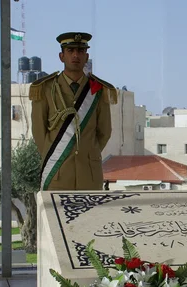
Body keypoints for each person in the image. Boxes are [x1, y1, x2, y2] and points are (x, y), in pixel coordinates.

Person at [30, 32, 117, 191]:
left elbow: (104, 131)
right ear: (61, 56)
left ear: (86, 56)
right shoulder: (46, 88)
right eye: (70, 51)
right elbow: (38, 130)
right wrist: (54, 155)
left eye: (80, 51)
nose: (75, 55)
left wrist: (88, 152)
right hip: (57, 173)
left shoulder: (97, 89)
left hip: (89, 175)